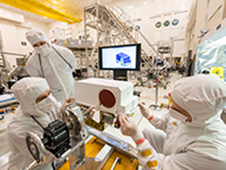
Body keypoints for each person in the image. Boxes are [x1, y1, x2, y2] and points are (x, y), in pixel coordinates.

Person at [119, 74, 226, 170]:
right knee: (147, 132)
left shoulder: (211, 152)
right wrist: (148, 115)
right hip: (174, 148)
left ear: (195, 114)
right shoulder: (192, 113)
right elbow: (166, 123)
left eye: (176, 109)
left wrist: (136, 136)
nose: (171, 109)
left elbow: (160, 167)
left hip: (179, 162)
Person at [7, 77, 75, 170]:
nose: (50, 99)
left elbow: (56, 111)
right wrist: (73, 137)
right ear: (29, 102)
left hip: (53, 163)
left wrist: (63, 110)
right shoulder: (18, 129)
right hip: (32, 166)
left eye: (49, 93)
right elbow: (44, 155)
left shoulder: (46, 103)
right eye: (42, 98)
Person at [25, 28, 77, 104]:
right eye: (36, 45)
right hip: (55, 98)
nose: (40, 47)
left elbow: (73, 66)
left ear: (47, 41)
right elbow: (38, 82)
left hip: (73, 92)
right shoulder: (32, 63)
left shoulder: (64, 52)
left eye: (42, 43)